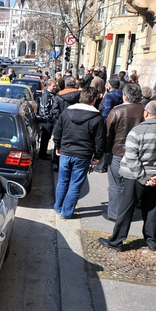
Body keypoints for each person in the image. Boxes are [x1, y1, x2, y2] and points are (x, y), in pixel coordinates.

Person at [99, 101, 156, 251]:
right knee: (153, 210)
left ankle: (116, 241)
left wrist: (143, 178)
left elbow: (131, 157)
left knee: (126, 209)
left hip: (134, 177)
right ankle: (153, 241)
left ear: (146, 113)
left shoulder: (137, 131)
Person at [52, 87, 105, 219]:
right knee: (75, 185)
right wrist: (98, 156)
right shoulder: (97, 118)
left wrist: (58, 146)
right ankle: (66, 212)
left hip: (66, 151)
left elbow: (57, 131)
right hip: (83, 155)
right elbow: (100, 140)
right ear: (93, 100)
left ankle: (58, 207)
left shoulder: (66, 112)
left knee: (62, 181)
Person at [103, 83, 145, 222]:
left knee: (115, 184)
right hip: (139, 152)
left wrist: (105, 151)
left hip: (118, 151)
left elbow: (108, 134)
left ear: (125, 96)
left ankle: (115, 214)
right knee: (131, 184)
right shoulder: (145, 110)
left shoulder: (117, 111)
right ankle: (127, 211)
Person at [38, 79, 58, 160]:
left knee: (47, 137)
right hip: (47, 121)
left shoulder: (52, 94)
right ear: (49, 86)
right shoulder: (46, 95)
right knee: (45, 137)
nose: (55, 87)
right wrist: (49, 118)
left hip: (49, 120)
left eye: (55, 86)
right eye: (54, 86)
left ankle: (44, 152)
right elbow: (44, 108)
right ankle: (42, 154)